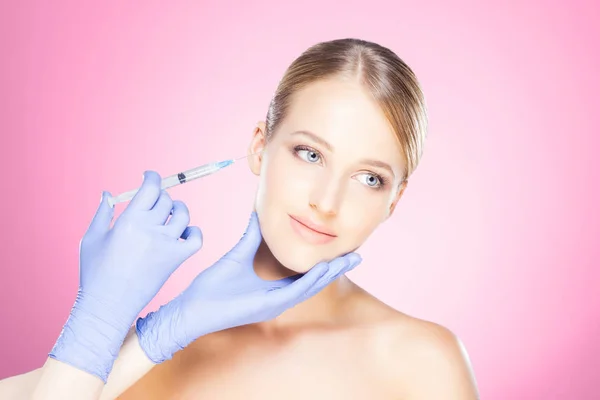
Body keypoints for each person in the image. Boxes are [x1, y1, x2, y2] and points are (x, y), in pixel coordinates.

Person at [2, 37, 480, 399]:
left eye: (369, 179)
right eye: (309, 154)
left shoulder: (421, 364)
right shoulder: (151, 351)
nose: (327, 201)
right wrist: (111, 333)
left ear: (394, 200)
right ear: (258, 146)